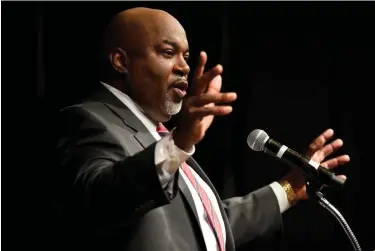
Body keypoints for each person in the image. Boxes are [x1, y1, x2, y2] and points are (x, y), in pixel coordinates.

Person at [54, 7, 350, 251]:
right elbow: (104, 198)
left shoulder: (157, 135)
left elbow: (206, 226)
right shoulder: (88, 120)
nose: (184, 66)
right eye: (168, 52)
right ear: (121, 61)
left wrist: (290, 189)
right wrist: (179, 142)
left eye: (186, 56)